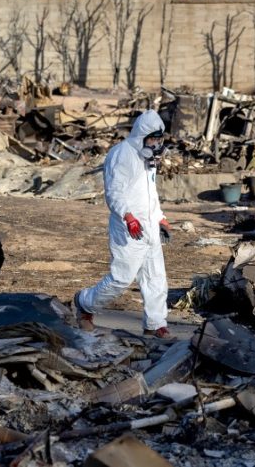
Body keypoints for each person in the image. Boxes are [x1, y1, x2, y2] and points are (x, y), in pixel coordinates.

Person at [73, 109, 173, 339]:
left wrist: (160, 217)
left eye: (159, 139)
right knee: (121, 279)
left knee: (156, 277)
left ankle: (156, 324)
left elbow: (150, 193)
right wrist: (127, 216)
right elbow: (114, 192)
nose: (157, 144)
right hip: (127, 227)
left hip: (148, 226)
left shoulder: (148, 159)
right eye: (153, 139)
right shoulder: (122, 154)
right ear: (142, 136)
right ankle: (85, 303)